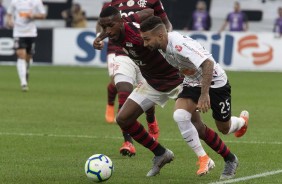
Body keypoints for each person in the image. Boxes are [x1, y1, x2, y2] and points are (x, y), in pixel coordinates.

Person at [94, 6, 218, 177]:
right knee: (123, 119)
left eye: (109, 27)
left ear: (120, 22)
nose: (107, 31)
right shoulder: (119, 28)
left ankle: (211, 155)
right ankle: (161, 153)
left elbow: (151, 14)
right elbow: (137, 16)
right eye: (103, 27)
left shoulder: (138, 36)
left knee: (196, 124)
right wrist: (99, 38)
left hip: (176, 80)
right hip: (152, 83)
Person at [140, 15, 250, 180]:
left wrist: (205, 94)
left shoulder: (178, 44)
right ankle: (205, 158)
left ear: (160, 35)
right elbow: (182, 66)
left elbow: (208, 63)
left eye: (147, 39)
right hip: (192, 83)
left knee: (224, 128)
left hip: (216, 82)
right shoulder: (161, 47)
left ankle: (241, 122)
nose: (145, 44)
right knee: (180, 115)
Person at [96, 0, 172, 156]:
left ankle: (151, 120)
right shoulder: (111, 4)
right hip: (122, 52)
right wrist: (99, 37)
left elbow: (165, 23)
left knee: (145, 93)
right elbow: (106, 25)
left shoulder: (152, 1)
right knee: (123, 89)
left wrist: (165, 43)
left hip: (146, 53)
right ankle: (128, 141)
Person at [6, 0, 46, 91]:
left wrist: (33, 16)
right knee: (21, 55)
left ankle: (26, 70)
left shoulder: (36, 2)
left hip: (31, 33)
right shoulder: (15, 2)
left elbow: (43, 15)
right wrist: (9, 21)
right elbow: (9, 13)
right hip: (18, 32)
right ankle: (23, 83)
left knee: (28, 57)